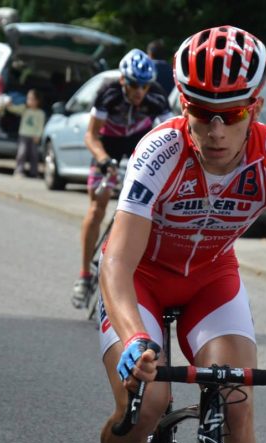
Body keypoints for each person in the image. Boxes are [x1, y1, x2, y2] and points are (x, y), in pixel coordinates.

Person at [98, 26, 266, 443]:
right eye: (201, 112)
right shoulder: (159, 151)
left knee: (238, 406)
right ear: (182, 104)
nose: (215, 131)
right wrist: (134, 338)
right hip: (141, 281)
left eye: (230, 115)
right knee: (147, 404)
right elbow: (116, 261)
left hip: (211, 282)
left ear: (256, 109)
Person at [71, 49, 172, 309]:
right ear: (124, 81)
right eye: (135, 85)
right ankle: (83, 275)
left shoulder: (157, 96)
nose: (141, 92)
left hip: (140, 143)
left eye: (145, 85)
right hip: (109, 144)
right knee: (97, 207)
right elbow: (90, 136)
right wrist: (104, 160)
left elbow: (171, 137)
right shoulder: (108, 92)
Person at [2, 88, 45, 178]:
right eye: (28, 98)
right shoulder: (24, 109)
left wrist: (38, 136)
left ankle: (34, 172)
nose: (28, 101)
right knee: (22, 153)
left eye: (31, 99)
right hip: (23, 135)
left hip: (34, 136)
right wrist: (8, 105)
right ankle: (19, 171)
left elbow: (40, 126)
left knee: (34, 155)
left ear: (37, 101)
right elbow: (14, 109)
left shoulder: (41, 113)